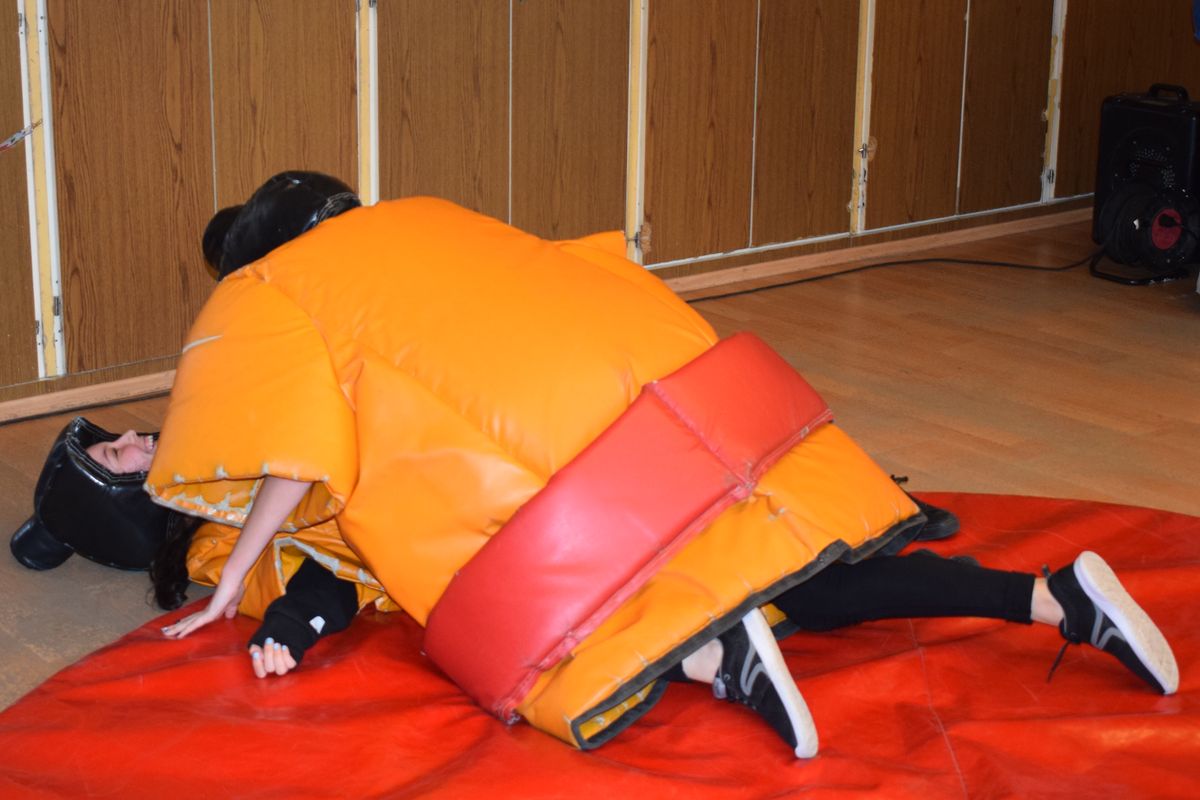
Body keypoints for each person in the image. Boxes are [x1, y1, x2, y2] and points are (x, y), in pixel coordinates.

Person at [13, 171, 1179, 760]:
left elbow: (304, 461)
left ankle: (718, 652)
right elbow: (326, 543)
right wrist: (272, 608)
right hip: (677, 405)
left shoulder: (285, 308)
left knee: (700, 585)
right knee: (796, 566)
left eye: (122, 430)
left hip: (569, 480)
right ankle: (1045, 597)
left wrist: (241, 584)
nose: (140, 435)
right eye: (117, 449)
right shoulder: (415, 232)